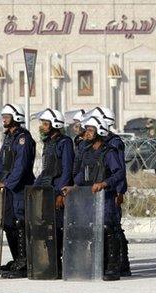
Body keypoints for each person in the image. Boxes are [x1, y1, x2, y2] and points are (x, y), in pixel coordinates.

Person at [0, 104, 36, 279]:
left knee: (20, 222)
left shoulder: (23, 138)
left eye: (7, 116)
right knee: (9, 223)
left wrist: (6, 183)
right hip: (8, 188)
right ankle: (17, 258)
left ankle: (25, 261)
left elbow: (21, 167)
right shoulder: (9, 138)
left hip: (19, 187)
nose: (4, 119)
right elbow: (1, 163)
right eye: (3, 116)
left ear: (16, 117)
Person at [63, 116, 125, 281]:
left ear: (100, 131)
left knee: (108, 229)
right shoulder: (87, 151)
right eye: (87, 130)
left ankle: (113, 268)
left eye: (91, 130)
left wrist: (104, 183)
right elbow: (83, 176)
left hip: (106, 197)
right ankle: (100, 265)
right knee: (94, 231)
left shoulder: (109, 152)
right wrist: (73, 187)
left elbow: (119, 173)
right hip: (90, 198)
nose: (87, 133)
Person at [85, 106, 131, 276]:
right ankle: (113, 264)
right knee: (107, 228)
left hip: (111, 191)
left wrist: (120, 192)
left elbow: (119, 171)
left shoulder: (114, 143)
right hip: (100, 192)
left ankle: (119, 264)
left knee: (113, 228)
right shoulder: (95, 145)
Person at [33, 108, 74, 275]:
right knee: (49, 230)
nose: (42, 126)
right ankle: (52, 264)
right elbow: (46, 170)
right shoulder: (49, 142)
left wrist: (59, 194)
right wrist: (35, 187)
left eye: (45, 123)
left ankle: (62, 265)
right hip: (47, 190)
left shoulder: (65, 142)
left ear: (54, 124)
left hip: (57, 191)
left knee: (59, 229)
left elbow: (66, 170)